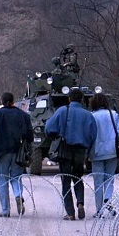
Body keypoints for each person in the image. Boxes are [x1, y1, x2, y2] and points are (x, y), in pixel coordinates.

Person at [45, 88, 97, 221]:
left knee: (66, 181)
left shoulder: (63, 110)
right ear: (82, 100)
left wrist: (56, 135)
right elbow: (93, 135)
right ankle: (80, 203)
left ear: (69, 99)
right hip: (81, 150)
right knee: (78, 177)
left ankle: (70, 213)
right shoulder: (88, 115)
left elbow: (49, 128)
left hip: (65, 149)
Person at [0, 92, 33, 218]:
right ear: (13, 101)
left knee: (2, 179)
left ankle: (5, 210)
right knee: (16, 177)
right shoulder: (23, 115)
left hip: (2, 152)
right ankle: (18, 195)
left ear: (2, 101)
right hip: (18, 152)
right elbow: (29, 136)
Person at [89, 93, 119, 218]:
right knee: (109, 179)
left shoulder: (91, 116)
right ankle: (108, 198)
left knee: (98, 182)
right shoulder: (113, 114)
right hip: (111, 151)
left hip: (96, 152)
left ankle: (99, 210)